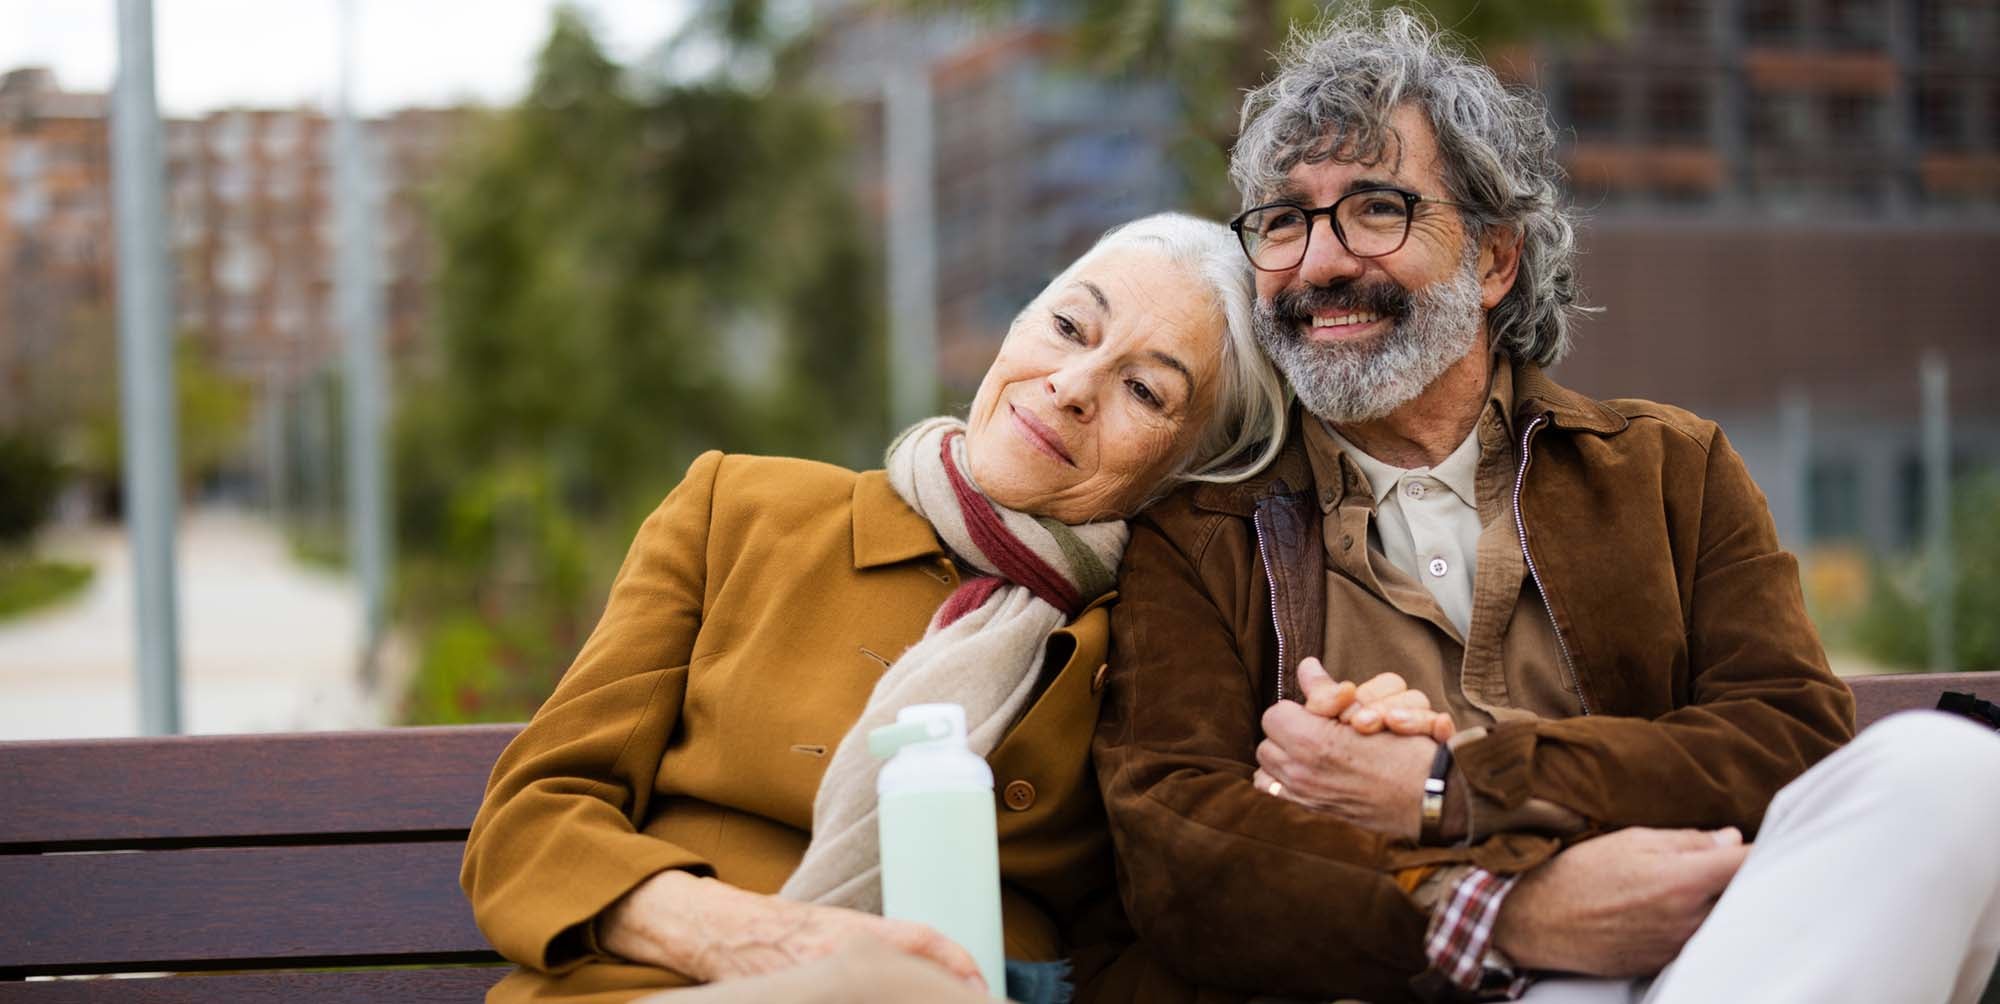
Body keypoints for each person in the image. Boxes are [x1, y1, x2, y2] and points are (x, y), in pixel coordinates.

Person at [1094, 11, 2000, 1004]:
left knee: (1952, 772)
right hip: (1426, 980)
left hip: (1711, 960)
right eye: (1282, 221)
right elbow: (1179, 844)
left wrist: (1450, 785)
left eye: (1373, 210)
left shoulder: (1667, 470)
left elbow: (1786, 736)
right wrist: (1496, 911)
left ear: (1492, 260)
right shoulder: (1200, 530)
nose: (1317, 263)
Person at [460, 212, 1297, 1004]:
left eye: (1145, 391)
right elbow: (530, 824)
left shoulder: (1155, 641)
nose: (1072, 385)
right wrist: (756, 941)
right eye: (1070, 327)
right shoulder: (742, 510)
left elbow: (1160, 934)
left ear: (1190, 468)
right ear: (1017, 325)